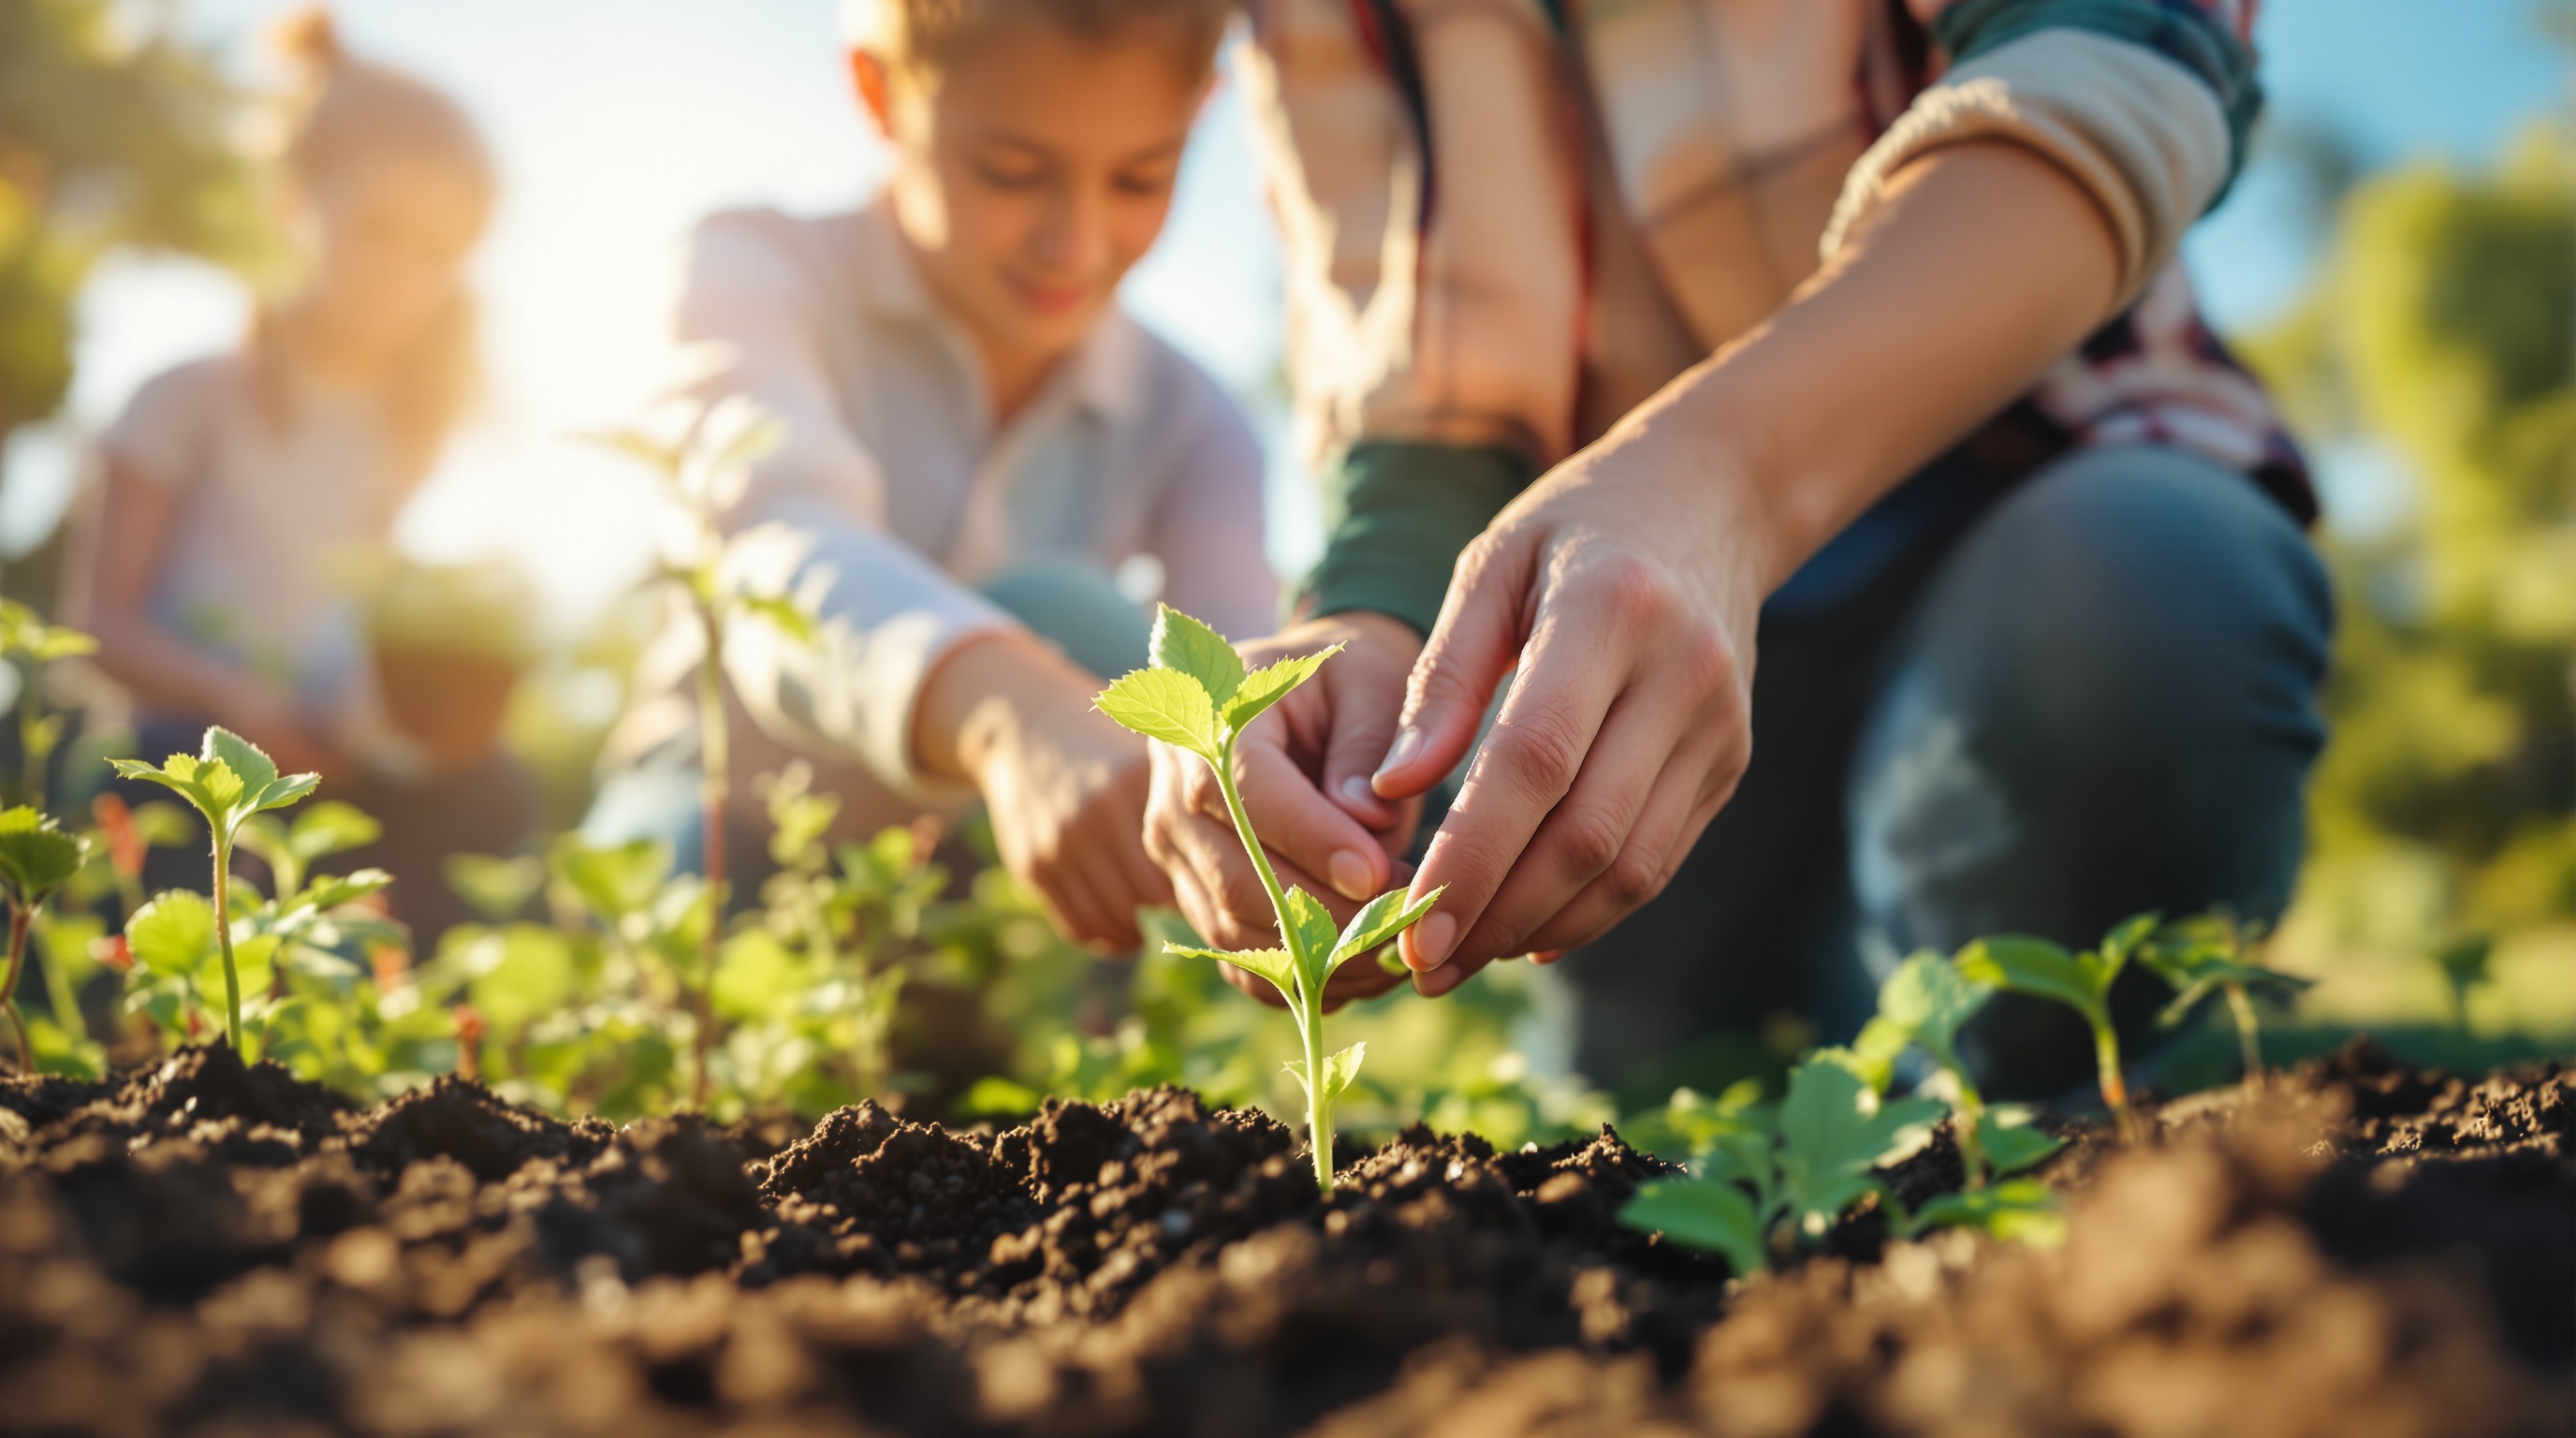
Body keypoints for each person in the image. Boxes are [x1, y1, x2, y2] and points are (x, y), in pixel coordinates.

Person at [1142, 0, 2333, 1100]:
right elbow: (1428, 395)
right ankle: (1769, 1046)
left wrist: (1722, 480)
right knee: (1664, 1080)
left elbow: (2120, 60)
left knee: (2145, 599)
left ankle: (2004, 1089)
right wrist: (1369, 624)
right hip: (1619, 620)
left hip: (2022, 499)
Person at [583, 0, 1273, 950]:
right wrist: (1003, 707)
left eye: (1139, 179)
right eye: (1011, 172)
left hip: (993, 879)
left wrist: (1283, 827)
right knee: (649, 950)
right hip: (730, 815)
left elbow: (1241, 680)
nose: (1074, 244)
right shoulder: (755, 272)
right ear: (878, 92)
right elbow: (774, 545)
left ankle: (1075, 1008)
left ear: (1202, 115)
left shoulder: (1195, 416)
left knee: (1140, 663)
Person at [65, 8, 532, 941]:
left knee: (491, 791)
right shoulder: (185, 398)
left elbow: (343, 631)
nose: (403, 269)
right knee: (175, 793)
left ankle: (429, 1044)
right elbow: (99, 629)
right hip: (180, 749)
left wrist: (400, 725)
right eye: (378, 228)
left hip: (308, 752)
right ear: (295, 203)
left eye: (439, 249)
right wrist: (238, 706)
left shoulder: (404, 433)